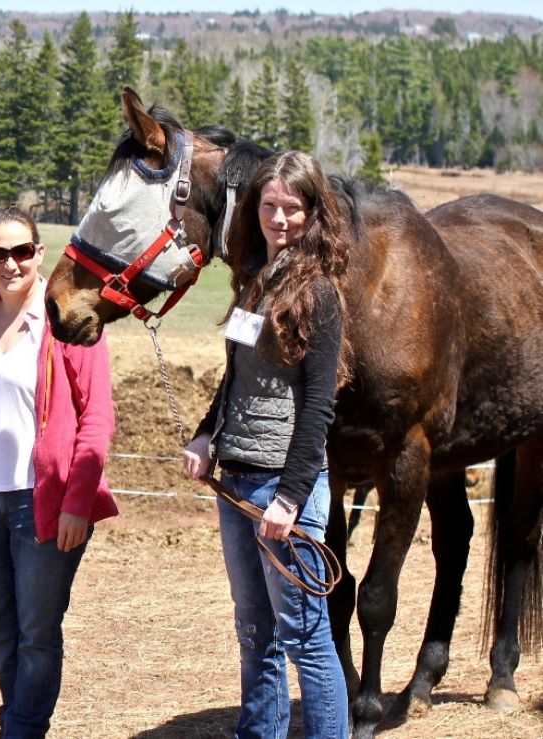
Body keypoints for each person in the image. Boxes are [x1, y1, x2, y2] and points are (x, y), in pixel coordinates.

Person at [180, 150, 351, 739]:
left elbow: (319, 407)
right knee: (255, 629)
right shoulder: (255, 282)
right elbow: (236, 380)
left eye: (293, 208)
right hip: (238, 482)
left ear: (313, 213)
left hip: (284, 490)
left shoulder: (320, 294)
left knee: (306, 636)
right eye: (270, 207)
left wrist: (294, 497)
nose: (280, 219)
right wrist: (207, 436)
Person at [0, 207, 118, 739]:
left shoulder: (67, 320)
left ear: (39, 254)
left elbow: (97, 417)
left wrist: (78, 502)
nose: (10, 263)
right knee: (2, 634)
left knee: (37, 634)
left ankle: (19, 730)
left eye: (21, 252)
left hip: (44, 501)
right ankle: (21, 725)